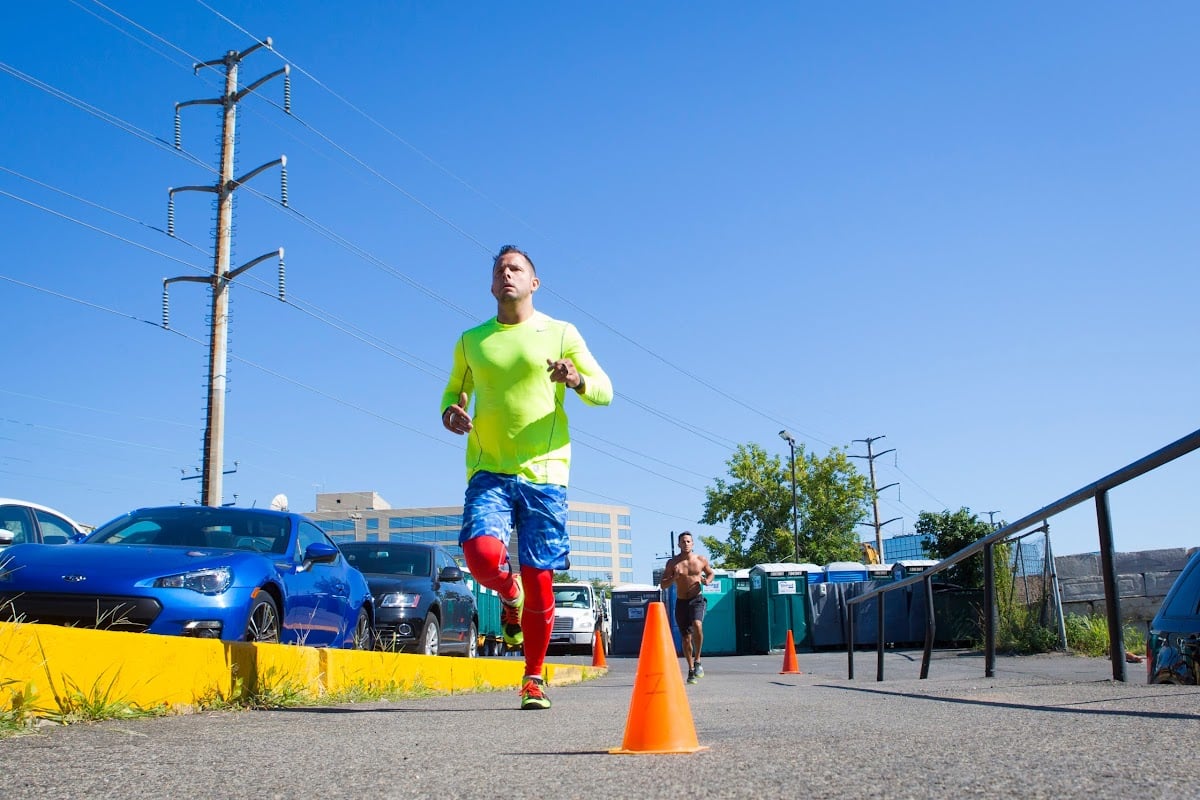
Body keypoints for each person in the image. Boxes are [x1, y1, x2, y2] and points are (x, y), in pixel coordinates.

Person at [441, 244, 612, 710]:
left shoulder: (561, 333)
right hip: (488, 469)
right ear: (492, 286)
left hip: (546, 473)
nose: (507, 274)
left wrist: (575, 380)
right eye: (500, 270)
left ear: (534, 283)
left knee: (541, 581)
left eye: (516, 268)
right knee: (480, 556)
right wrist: (450, 413)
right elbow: (453, 393)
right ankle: (506, 590)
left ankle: (533, 677)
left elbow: (605, 391)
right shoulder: (471, 340)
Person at [659, 531, 715, 684]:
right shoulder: (673, 563)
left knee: (697, 625)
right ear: (678, 544)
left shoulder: (700, 560)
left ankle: (698, 661)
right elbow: (663, 585)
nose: (686, 544)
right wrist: (674, 577)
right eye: (683, 542)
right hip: (681, 602)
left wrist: (707, 581)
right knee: (685, 638)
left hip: (696, 599)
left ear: (693, 544)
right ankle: (690, 670)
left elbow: (711, 573)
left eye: (688, 541)